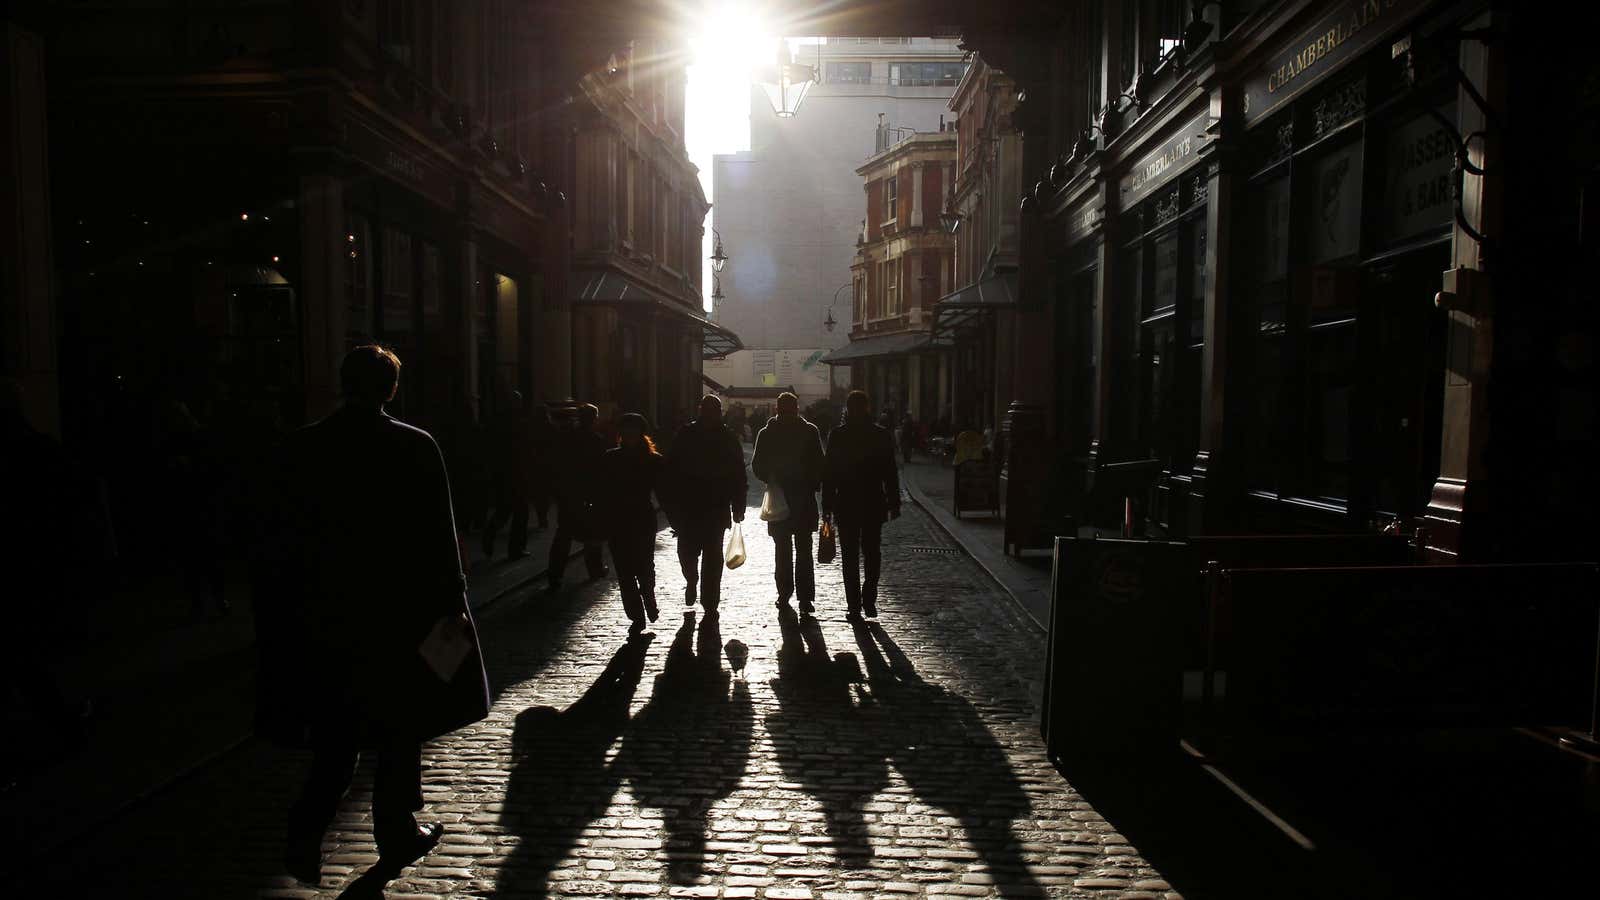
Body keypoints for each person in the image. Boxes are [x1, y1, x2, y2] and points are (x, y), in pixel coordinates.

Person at [255, 346, 490, 885]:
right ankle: (394, 826)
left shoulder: (304, 446)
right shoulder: (413, 446)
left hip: (328, 612)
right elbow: (437, 532)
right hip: (398, 612)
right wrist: (454, 596)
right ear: (391, 389)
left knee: (337, 731)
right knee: (399, 724)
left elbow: (281, 534)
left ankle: (306, 830)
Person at [662, 395, 746, 614]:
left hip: (712, 506)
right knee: (692, 553)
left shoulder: (724, 437)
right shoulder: (688, 434)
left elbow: (738, 474)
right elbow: (671, 469)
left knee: (710, 555)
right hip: (693, 505)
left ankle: (709, 600)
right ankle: (693, 581)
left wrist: (738, 504)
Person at [823, 390, 901, 619]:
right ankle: (869, 598)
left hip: (846, 502)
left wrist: (827, 506)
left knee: (849, 556)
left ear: (847, 408)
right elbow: (890, 471)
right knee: (872, 552)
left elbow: (829, 474)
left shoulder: (838, 435)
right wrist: (894, 502)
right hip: (873, 501)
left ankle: (854, 605)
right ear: (867, 407)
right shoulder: (880, 434)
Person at [751, 392, 824, 616]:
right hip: (801, 499)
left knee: (783, 550)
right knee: (803, 550)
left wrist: (771, 477)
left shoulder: (767, 433)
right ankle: (804, 598)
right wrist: (810, 481)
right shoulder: (810, 431)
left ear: (776, 409)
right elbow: (820, 465)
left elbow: (757, 466)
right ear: (797, 408)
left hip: (780, 498)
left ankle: (785, 593)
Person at [599, 413, 664, 635]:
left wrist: (676, 518)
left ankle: (648, 595)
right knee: (625, 572)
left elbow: (664, 493)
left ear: (640, 434)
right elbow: (600, 492)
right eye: (625, 432)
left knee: (644, 566)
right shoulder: (609, 458)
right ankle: (636, 614)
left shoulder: (653, 460)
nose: (628, 436)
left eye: (632, 432)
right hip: (617, 521)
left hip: (642, 520)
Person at [547, 403, 608, 591]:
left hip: (568, 493)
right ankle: (595, 569)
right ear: (593, 419)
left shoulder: (565, 438)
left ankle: (555, 575)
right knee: (592, 533)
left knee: (564, 534)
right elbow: (601, 470)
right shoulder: (596, 440)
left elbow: (557, 465)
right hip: (589, 493)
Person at [483, 391, 534, 559]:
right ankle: (515, 549)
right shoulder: (520, 423)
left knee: (504, 510)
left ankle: (489, 534)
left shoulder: (496, 421)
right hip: (517, 473)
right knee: (520, 513)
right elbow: (526, 450)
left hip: (502, 473)